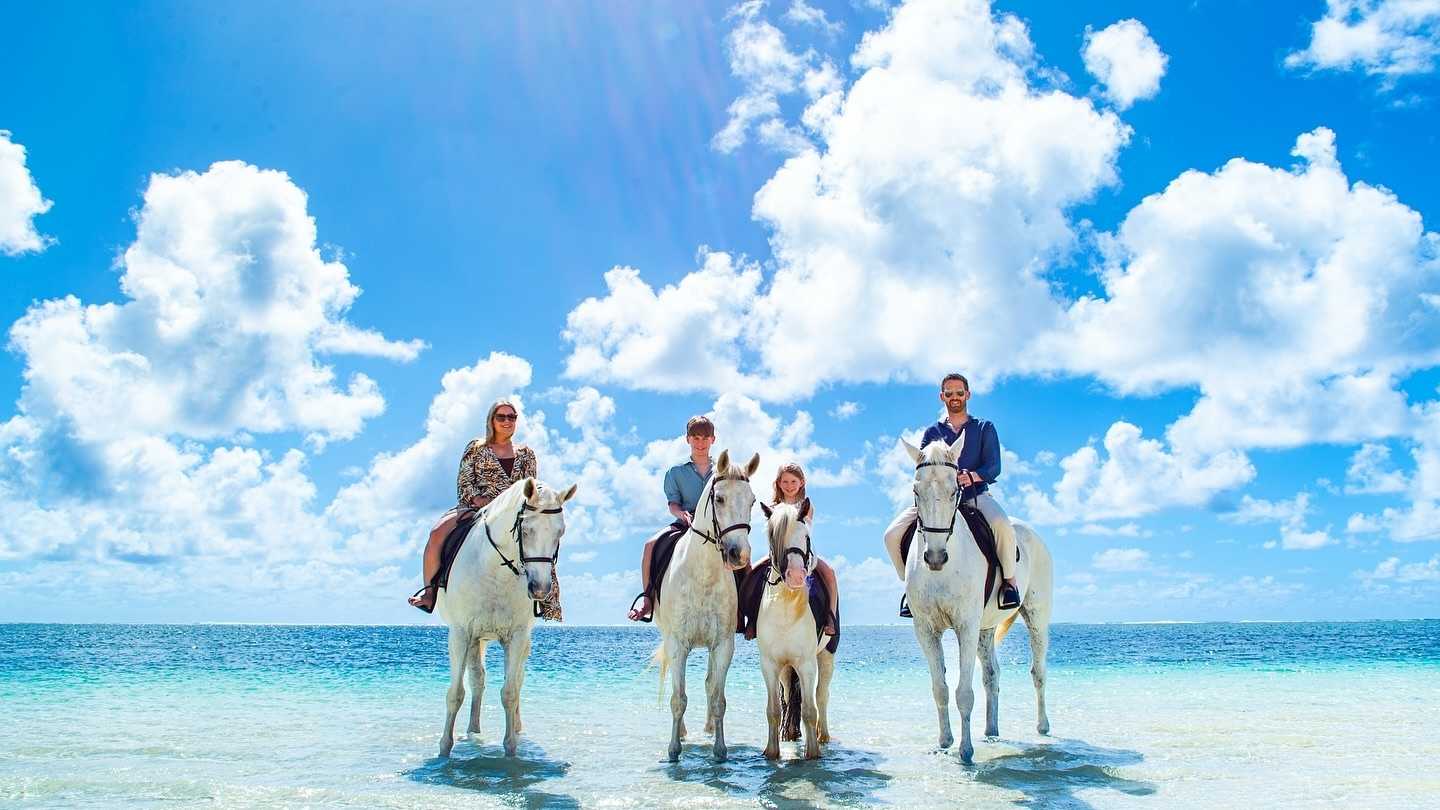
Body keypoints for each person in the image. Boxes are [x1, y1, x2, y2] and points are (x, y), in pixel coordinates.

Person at [408, 400, 561, 621]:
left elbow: (531, 488)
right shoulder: (476, 448)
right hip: (477, 507)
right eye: (502, 417)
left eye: (512, 417)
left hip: (514, 512)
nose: (507, 421)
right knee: (437, 533)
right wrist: (477, 499)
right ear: (491, 420)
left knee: (541, 540)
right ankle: (430, 592)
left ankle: (546, 599)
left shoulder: (527, 453)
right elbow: (464, 482)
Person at [883, 373, 1021, 611]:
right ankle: (909, 588)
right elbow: (923, 469)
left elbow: (993, 467)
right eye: (949, 393)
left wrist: (970, 477)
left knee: (1002, 525)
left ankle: (1009, 583)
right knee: (891, 535)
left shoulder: (984, 428)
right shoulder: (931, 433)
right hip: (936, 502)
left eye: (959, 392)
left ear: (967, 394)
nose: (954, 397)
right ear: (942, 397)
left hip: (974, 497)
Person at [627, 415, 715, 622]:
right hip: (685, 523)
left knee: (739, 555)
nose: (700, 443)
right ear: (688, 439)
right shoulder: (675, 472)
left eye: (705, 438)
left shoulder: (722, 471)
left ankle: (745, 611)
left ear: (713, 439)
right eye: (696, 438)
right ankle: (647, 599)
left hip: (716, 528)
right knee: (650, 545)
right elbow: (673, 503)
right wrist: (682, 514)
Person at [751, 462, 840, 637]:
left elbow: (803, 531)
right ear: (778, 483)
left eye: (793, 481)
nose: (789, 486)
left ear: (802, 482)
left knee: (829, 573)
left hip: (803, 554)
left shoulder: (806, 506)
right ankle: (752, 619)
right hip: (778, 556)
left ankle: (830, 617)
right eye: (785, 482)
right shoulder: (773, 508)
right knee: (752, 573)